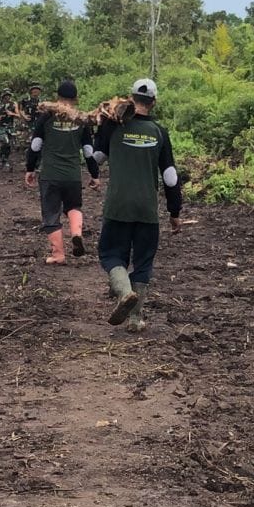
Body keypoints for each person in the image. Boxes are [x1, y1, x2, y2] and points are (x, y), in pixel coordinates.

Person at [92, 78, 183, 333]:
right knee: (142, 262)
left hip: (118, 206)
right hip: (147, 210)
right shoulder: (159, 132)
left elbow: (95, 159)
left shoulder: (113, 127)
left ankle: (123, 292)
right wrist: (174, 212)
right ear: (153, 102)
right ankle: (135, 319)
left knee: (111, 254)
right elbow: (170, 177)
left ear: (130, 99)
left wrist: (100, 129)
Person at [24, 79, 100, 264]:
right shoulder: (81, 120)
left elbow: (35, 145)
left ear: (57, 97)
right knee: (73, 207)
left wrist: (30, 168)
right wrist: (95, 174)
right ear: (75, 99)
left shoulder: (47, 117)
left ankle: (58, 254)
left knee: (51, 213)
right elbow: (89, 151)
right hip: (73, 175)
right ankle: (76, 233)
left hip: (50, 174)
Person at [0, 88, 22, 170]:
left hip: (11, 127)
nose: (7, 98)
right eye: (6, 96)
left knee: (9, 144)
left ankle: (5, 159)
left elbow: (18, 115)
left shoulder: (13, 104)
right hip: (1, 126)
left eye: (8, 96)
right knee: (4, 141)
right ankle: (1, 158)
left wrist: (11, 113)